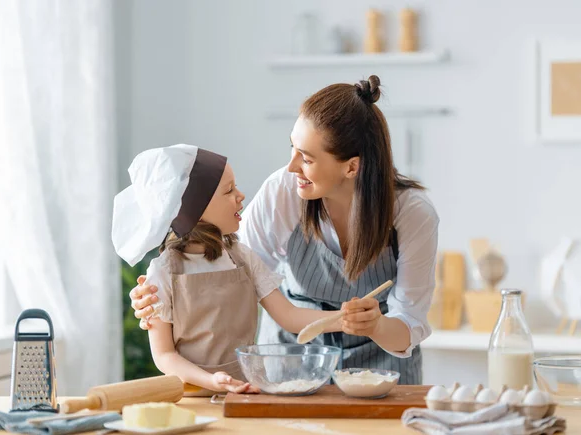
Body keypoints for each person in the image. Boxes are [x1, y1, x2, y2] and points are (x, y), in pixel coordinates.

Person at [129, 75, 439, 384]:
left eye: (306, 158)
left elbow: (408, 321)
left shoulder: (412, 214)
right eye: (292, 148)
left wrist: (374, 326)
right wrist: (157, 301)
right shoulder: (284, 190)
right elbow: (228, 274)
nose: (291, 167)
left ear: (351, 167)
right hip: (295, 365)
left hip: (382, 374)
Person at [113, 145, 378, 394]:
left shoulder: (241, 256)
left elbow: (288, 315)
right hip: (192, 395)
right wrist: (211, 381)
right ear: (196, 209)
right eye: (228, 191)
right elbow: (164, 356)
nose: (240, 196)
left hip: (246, 389)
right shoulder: (163, 272)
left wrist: (342, 317)